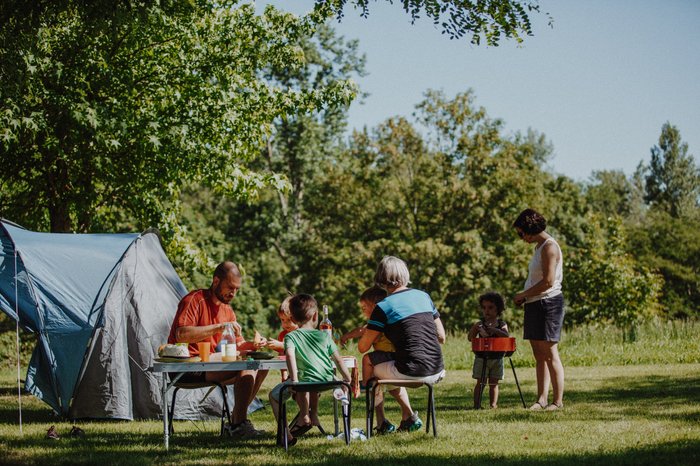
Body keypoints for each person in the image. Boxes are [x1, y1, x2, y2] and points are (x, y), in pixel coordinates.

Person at [167, 261, 269, 438]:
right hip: (187, 366)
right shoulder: (195, 299)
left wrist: (254, 345)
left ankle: (237, 423)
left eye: (237, 289)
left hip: (211, 363)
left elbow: (238, 345)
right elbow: (181, 335)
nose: (233, 293)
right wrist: (219, 327)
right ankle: (238, 425)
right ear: (216, 281)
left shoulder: (227, 310)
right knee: (245, 367)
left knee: (260, 366)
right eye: (230, 287)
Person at [359, 256, 446, 432]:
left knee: (370, 365)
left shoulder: (383, 306)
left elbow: (362, 347)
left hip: (412, 371)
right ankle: (407, 417)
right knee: (389, 366)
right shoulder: (423, 296)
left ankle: (380, 421)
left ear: (381, 278)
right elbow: (442, 337)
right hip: (437, 369)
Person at [269, 294, 352, 446]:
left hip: (303, 382)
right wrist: (347, 379)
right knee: (308, 380)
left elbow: (290, 356)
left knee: (274, 397)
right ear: (315, 316)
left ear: (292, 318)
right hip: (328, 381)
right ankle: (342, 431)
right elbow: (338, 359)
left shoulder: (291, 337)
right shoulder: (324, 336)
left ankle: (286, 434)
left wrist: (293, 379)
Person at [513, 208, 565, 411]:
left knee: (550, 353)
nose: (521, 238)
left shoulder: (549, 247)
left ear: (529, 229)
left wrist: (523, 295)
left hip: (548, 303)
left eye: (520, 233)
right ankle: (541, 399)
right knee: (538, 354)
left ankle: (557, 401)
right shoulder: (538, 247)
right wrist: (527, 297)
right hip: (534, 303)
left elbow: (549, 281)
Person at [340, 286, 397, 434]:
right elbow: (361, 330)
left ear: (374, 306)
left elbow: (366, 335)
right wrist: (348, 336)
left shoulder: (379, 321)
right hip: (388, 356)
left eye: (365, 307)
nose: (363, 311)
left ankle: (365, 383)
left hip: (387, 355)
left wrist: (348, 336)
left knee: (366, 358)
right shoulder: (382, 319)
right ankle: (382, 421)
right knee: (380, 384)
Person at [467, 292, 509, 409]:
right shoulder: (480, 324)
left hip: (497, 358)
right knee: (480, 383)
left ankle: (493, 405)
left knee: (494, 383)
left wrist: (494, 330)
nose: (487, 311)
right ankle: (477, 405)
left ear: (498, 309)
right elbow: (470, 338)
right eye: (484, 308)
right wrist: (475, 328)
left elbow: (506, 336)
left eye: (490, 308)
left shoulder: (501, 324)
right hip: (482, 357)